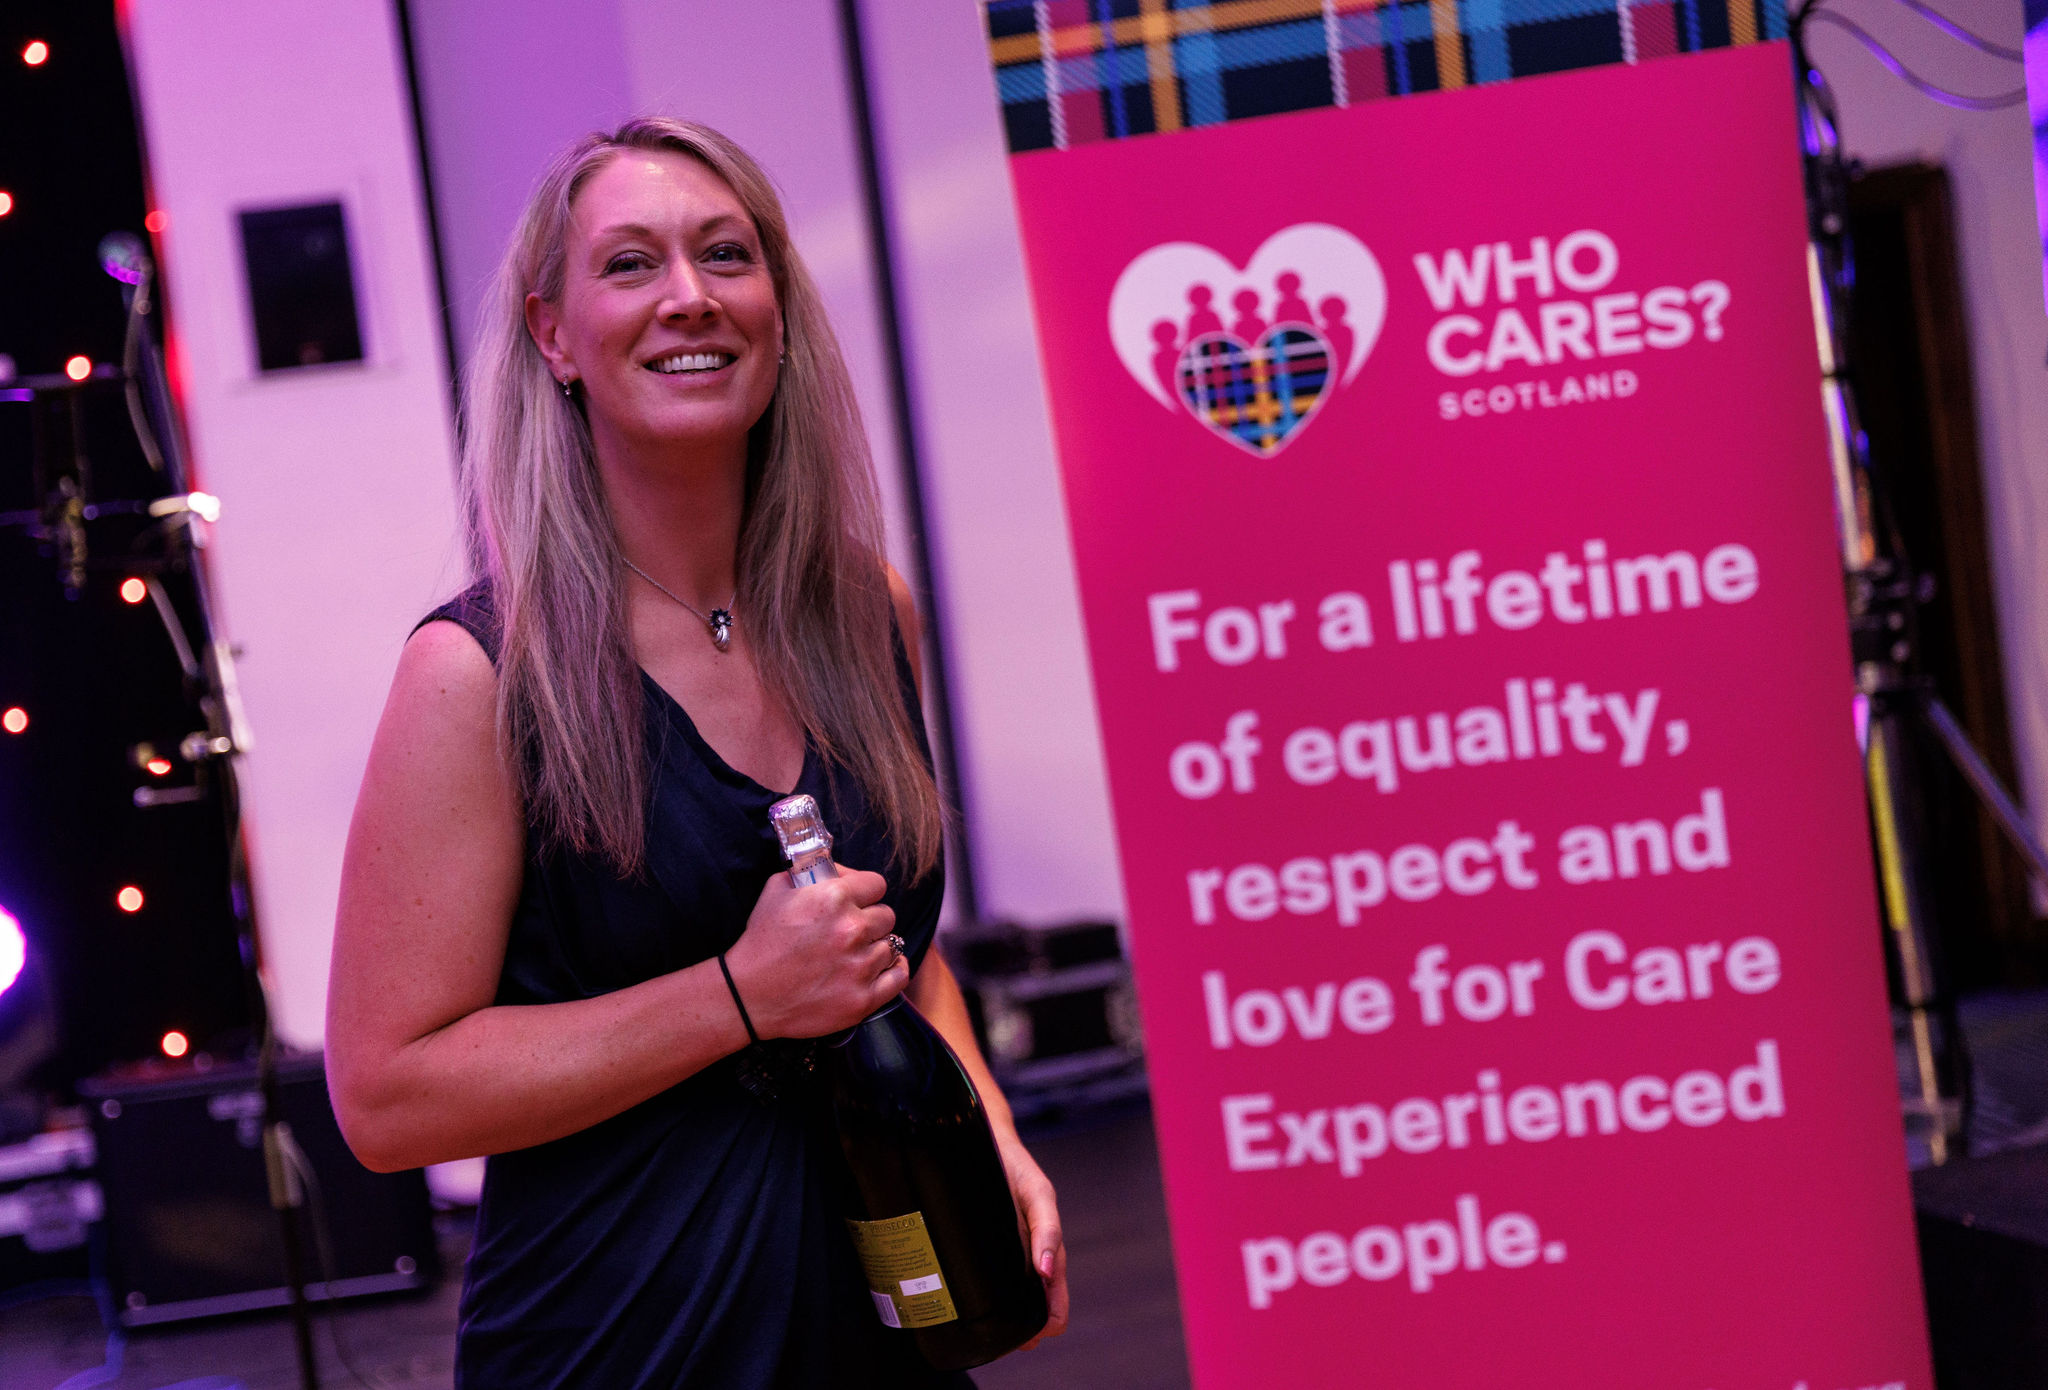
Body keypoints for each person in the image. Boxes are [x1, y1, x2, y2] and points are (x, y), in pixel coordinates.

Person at [325, 117, 1068, 1388]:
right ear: (554, 335)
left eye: (726, 254)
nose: (689, 297)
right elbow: (387, 1099)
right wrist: (735, 995)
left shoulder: (863, 612)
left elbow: (887, 943)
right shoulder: (481, 674)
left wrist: (987, 1125)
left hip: (881, 1330)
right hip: (619, 1343)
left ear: (777, 311)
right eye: (629, 264)